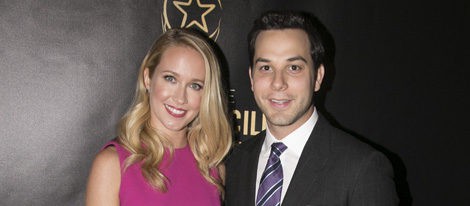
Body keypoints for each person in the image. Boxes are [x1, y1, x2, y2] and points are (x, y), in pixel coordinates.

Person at [225, 10, 398, 205]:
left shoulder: (362, 168)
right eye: (266, 68)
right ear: (251, 78)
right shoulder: (236, 163)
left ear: (318, 77)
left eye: (294, 68)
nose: (278, 83)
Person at [86, 28, 232, 206]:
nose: (180, 98)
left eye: (195, 85)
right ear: (148, 78)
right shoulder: (112, 164)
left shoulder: (213, 169)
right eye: (170, 79)